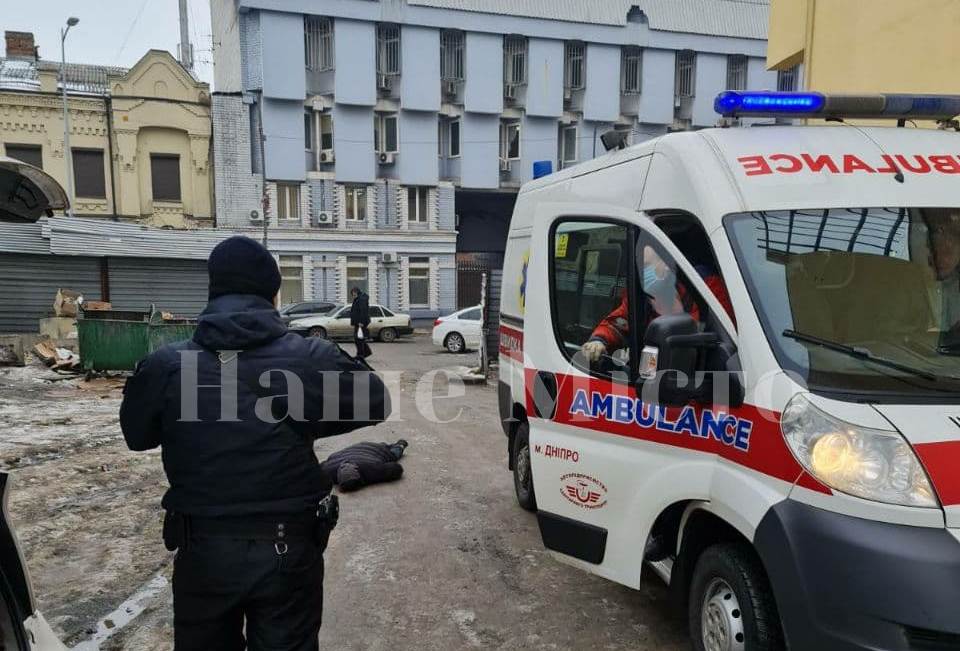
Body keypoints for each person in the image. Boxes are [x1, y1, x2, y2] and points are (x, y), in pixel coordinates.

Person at [119, 236, 390, 651]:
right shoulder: (309, 358)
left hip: (203, 555)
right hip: (287, 552)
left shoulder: (167, 366)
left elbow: (136, 436)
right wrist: (307, 414)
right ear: (272, 292)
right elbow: (376, 400)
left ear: (213, 291)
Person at [582, 246, 734, 362]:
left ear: (666, 265)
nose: (642, 273)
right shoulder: (640, 296)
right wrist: (599, 341)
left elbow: (721, 336)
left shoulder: (704, 288)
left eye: (647, 266)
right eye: (639, 267)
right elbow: (617, 323)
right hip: (655, 376)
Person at [320, 439, 408, 492]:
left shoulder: (372, 470)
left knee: (393, 455)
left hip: (377, 449)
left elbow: (397, 468)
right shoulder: (328, 471)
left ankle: (400, 445)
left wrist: (374, 479)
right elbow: (320, 465)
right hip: (353, 448)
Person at [350, 286, 372, 358]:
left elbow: (363, 311)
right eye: (352, 295)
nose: (353, 296)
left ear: (356, 292)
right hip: (358, 322)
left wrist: (361, 322)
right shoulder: (358, 299)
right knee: (359, 338)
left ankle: (360, 355)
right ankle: (366, 352)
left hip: (361, 323)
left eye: (353, 294)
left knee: (358, 339)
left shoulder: (361, 299)